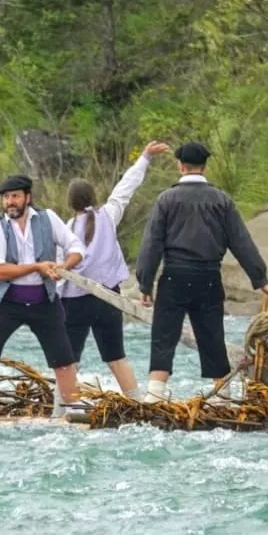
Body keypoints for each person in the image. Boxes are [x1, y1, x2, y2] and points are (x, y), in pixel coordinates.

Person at [135, 142, 268, 401]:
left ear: (180, 166)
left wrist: (145, 284)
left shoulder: (166, 199)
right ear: (204, 167)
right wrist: (260, 279)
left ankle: (155, 394)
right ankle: (222, 394)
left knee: (164, 333)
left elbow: (152, 244)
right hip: (209, 278)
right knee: (212, 333)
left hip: (174, 276)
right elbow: (241, 242)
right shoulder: (221, 200)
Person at [0, 174, 85, 417]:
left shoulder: (48, 218)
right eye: (6, 197)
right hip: (7, 301)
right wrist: (37, 267)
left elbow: (76, 248)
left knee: (64, 361)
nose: (10, 202)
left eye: (15, 196)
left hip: (44, 301)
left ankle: (74, 411)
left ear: (28, 197)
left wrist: (64, 266)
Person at [60, 140, 171, 399]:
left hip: (74, 303)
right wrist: (144, 157)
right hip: (108, 298)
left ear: (70, 202)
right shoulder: (108, 215)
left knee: (68, 361)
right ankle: (137, 403)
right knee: (116, 357)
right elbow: (126, 188)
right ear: (93, 197)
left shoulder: (64, 228)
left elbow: (59, 270)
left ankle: (62, 408)